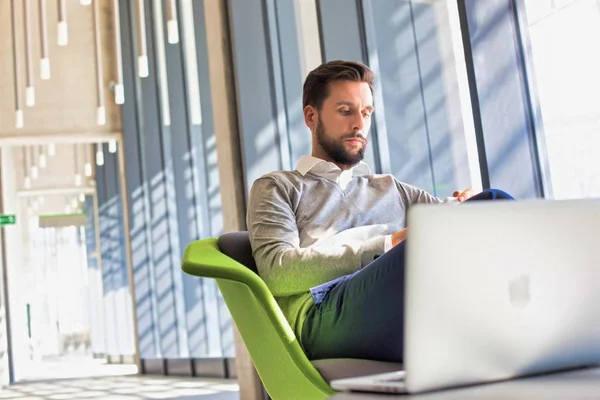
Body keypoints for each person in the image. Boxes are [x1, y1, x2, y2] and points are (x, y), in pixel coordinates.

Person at [246, 60, 513, 363]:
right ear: (311, 116)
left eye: (366, 112)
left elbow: (450, 225)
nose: (359, 123)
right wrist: (388, 245)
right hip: (325, 312)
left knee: (493, 202)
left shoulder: (389, 187)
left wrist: (464, 205)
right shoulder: (277, 186)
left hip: (400, 302)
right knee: (422, 246)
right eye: (346, 111)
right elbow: (277, 272)